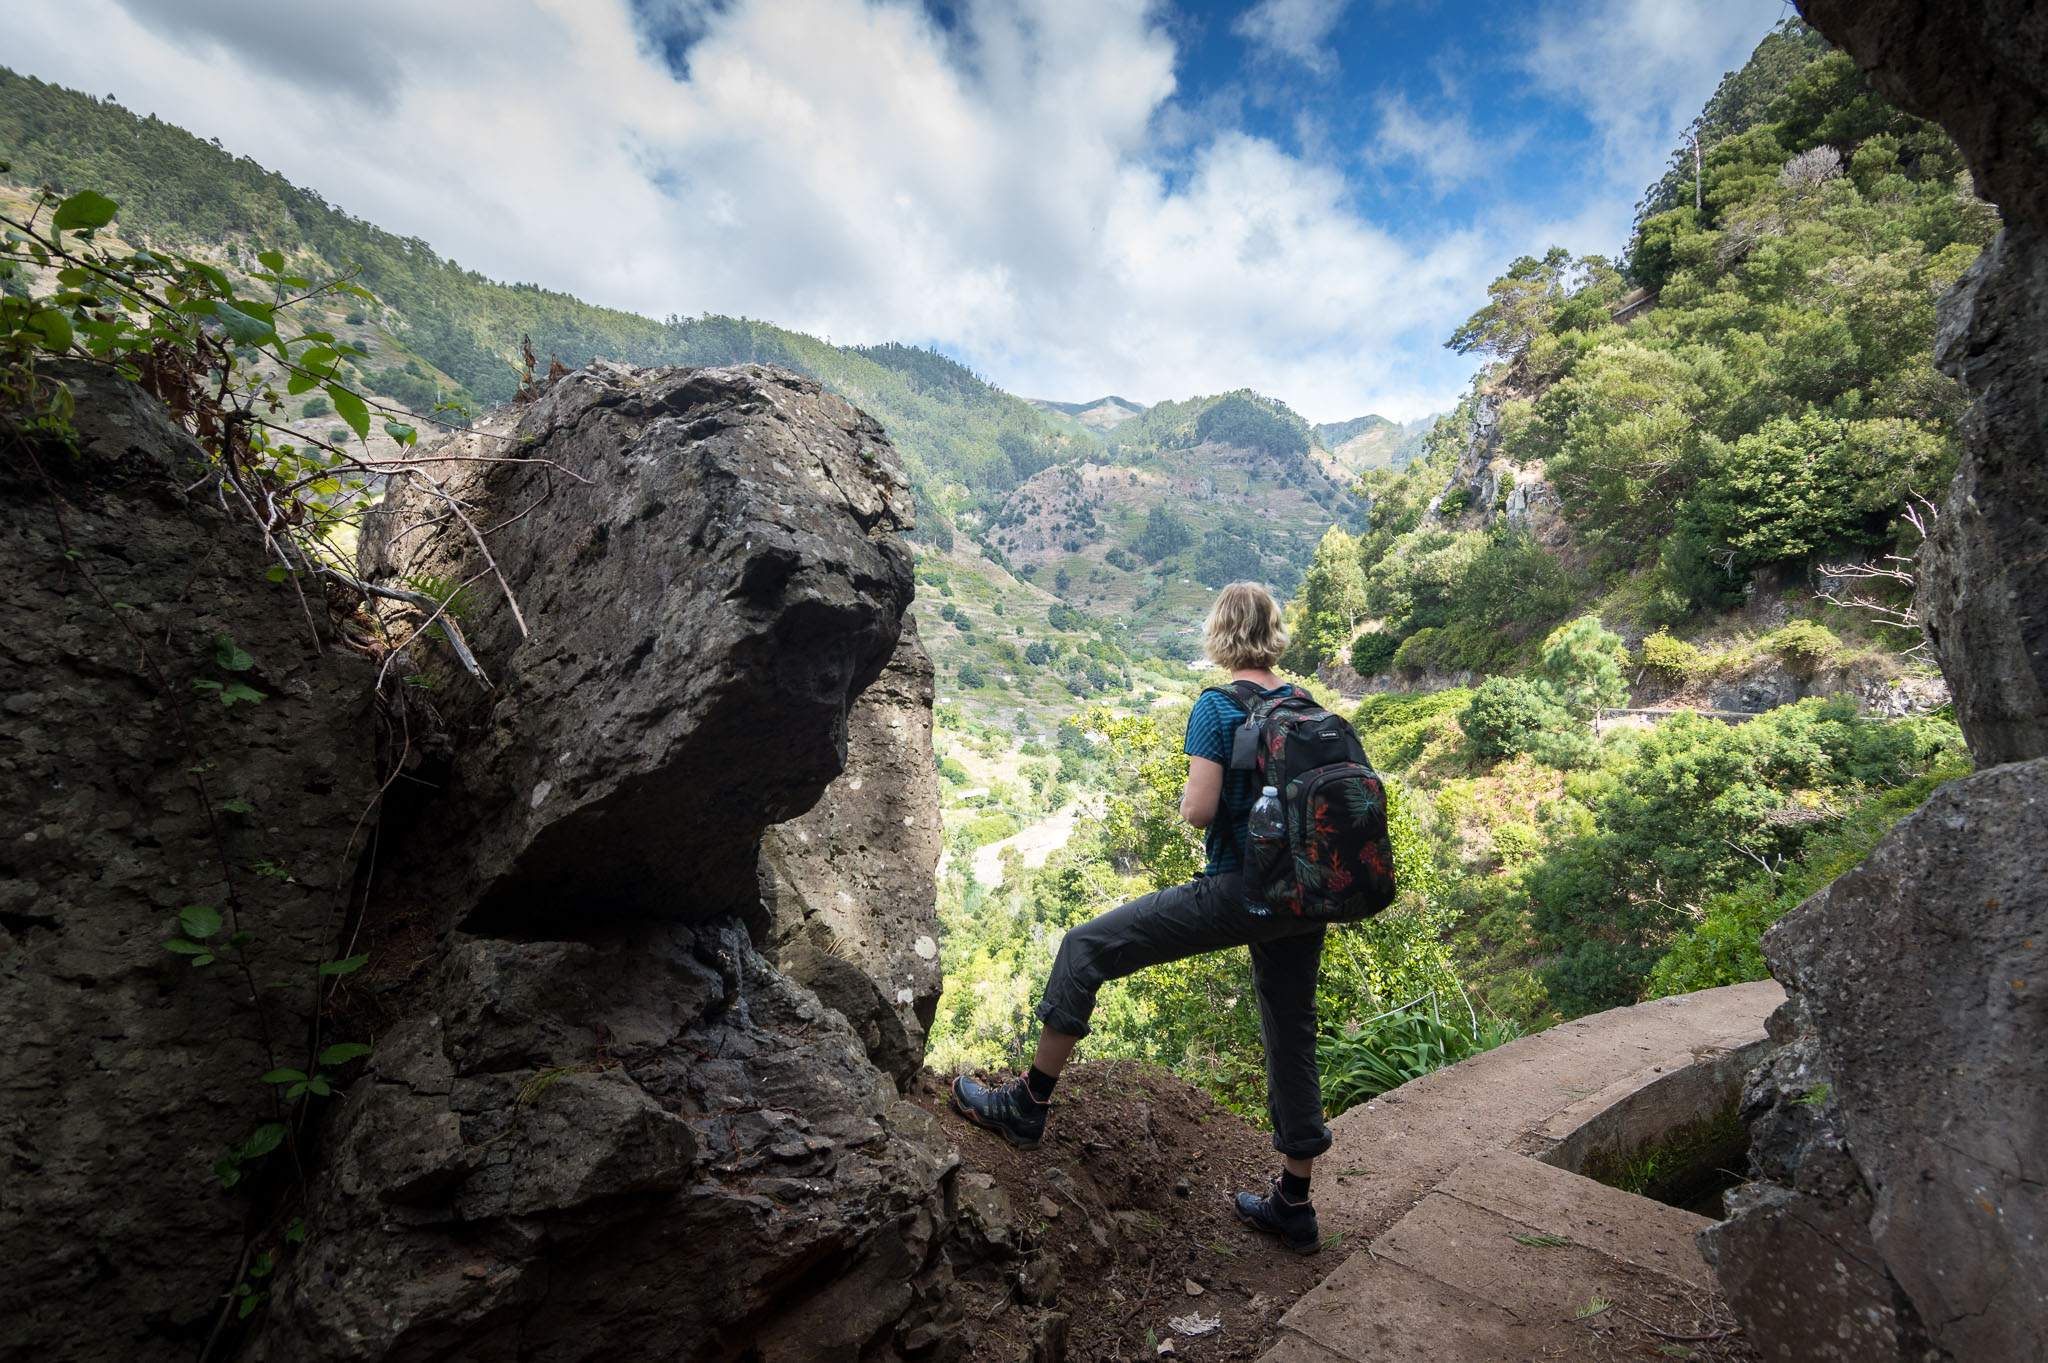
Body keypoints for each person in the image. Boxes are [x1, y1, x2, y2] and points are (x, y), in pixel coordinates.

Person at [951, 581, 1332, 1255]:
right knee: (1291, 1027)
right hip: (1303, 898)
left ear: (1220, 634)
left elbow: (1199, 810)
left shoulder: (1215, 706)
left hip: (1239, 890)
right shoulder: (1304, 703)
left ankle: (1026, 1107)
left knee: (1084, 946)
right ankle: (1294, 1203)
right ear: (1273, 633)